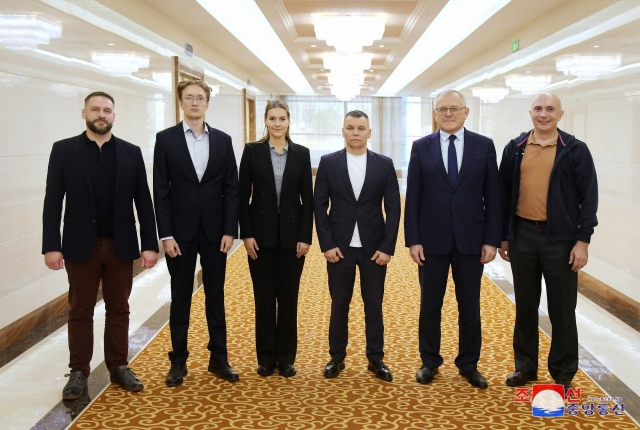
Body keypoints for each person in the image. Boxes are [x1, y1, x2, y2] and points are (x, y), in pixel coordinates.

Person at [42, 91, 159, 400]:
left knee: (119, 308)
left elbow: (144, 204)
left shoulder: (131, 153)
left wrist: (150, 244)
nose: (101, 114)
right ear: (84, 114)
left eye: (107, 110)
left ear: (114, 116)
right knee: (80, 309)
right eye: (95, 109)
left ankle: (118, 366)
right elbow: (52, 201)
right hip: (81, 247)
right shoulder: (64, 151)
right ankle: (79, 371)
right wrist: (50, 245)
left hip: (121, 246)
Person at [499, 92, 598, 394]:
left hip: (561, 240)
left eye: (550, 109)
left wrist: (582, 242)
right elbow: (503, 195)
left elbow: (588, 198)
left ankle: (563, 372)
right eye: (538, 109)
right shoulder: (515, 149)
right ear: (530, 112)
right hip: (523, 236)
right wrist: (504, 236)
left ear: (560, 114)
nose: (544, 114)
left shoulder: (576, 150)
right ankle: (525, 367)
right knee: (525, 306)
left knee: (562, 309)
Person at [404, 90, 501, 389]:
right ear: (434, 113)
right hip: (431, 241)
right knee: (430, 305)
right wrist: (413, 240)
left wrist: (492, 239)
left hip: (471, 240)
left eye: (454, 109)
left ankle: (468, 364)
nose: (448, 114)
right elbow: (414, 196)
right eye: (442, 109)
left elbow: (493, 196)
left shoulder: (484, 146)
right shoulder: (421, 147)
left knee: (469, 306)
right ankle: (429, 361)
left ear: (466, 112)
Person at [154, 79, 239, 386]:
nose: (194, 102)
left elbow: (232, 188)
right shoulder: (165, 140)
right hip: (180, 233)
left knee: (215, 296)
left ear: (207, 103)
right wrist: (165, 234)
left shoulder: (223, 140)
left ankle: (219, 358)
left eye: (200, 98)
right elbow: (160, 191)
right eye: (189, 97)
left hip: (217, 233)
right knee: (180, 298)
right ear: (180, 102)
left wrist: (231, 229)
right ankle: (178, 362)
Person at [314, 110, 400, 382]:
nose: (355, 132)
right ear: (343, 131)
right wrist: (326, 244)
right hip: (339, 248)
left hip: (374, 249)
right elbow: (319, 206)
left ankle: (376, 358)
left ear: (369, 133)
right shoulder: (328, 163)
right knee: (340, 303)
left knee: (373, 304)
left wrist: (387, 247)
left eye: (361, 128)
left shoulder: (384, 164)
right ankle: (336, 356)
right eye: (350, 127)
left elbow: (394, 209)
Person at [238, 100, 313, 378]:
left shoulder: (302, 154)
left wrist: (306, 236)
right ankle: (266, 358)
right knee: (264, 300)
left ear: (289, 121)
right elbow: (242, 196)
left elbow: (309, 200)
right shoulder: (252, 151)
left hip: (293, 241)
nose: (278, 123)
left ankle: (287, 358)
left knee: (289, 300)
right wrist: (246, 234)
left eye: (282, 118)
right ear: (266, 121)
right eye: (272, 118)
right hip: (260, 239)